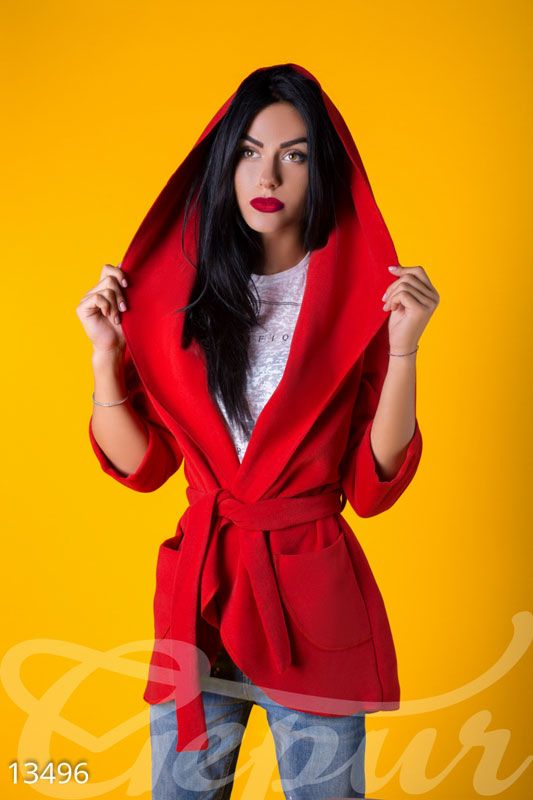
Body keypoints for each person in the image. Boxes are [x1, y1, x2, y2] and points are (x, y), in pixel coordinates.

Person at [76, 63, 439, 799]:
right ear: (225, 164)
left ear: (321, 168)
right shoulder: (180, 293)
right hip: (202, 594)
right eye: (248, 151)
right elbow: (144, 466)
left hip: (312, 595)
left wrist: (403, 349)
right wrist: (105, 357)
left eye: (293, 154)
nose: (267, 174)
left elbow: (372, 484)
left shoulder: (361, 297)